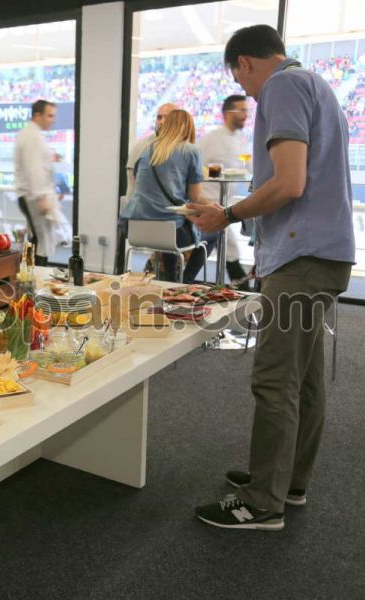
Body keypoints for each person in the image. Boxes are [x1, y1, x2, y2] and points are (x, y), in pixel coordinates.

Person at [189, 25, 355, 530]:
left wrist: (228, 214)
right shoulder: (315, 84)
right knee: (304, 378)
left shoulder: (282, 86)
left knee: (275, 377)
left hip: (304, 256)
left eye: (241, 80)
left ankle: (262, 501)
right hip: (318, 253)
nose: (247, 93)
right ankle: (287, 481)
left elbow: (289, 182)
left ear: (244, 63)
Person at [120, 109, 215, 282]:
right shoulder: (190, 151)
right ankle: (186, 282)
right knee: (214, 232)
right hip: (170, 232)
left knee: (169, 222)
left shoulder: (146, 150)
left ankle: (171, 280)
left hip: (135, 228)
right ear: (188, 128)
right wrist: (214, 206)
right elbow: (195, 197)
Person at [197, 94, 251, 287]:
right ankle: (244, 290)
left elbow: (249, 167)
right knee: (227, 248)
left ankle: (243, 289)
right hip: (206, 204)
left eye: (247, 110)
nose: (246, 115)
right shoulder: (211, 139)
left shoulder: (240, 140)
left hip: (223, 205)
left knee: (227, 248)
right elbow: (195, 168)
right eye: (242, 110)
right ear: (228, 113)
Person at [14, 99, 67, 266]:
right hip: (34, 197)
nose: (53, 120)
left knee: (40, 240)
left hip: (36, 195)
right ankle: (37, 276)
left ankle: (35, 274)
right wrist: (42, 197)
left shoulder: (32, 135)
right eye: (49, 116)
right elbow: (33, 169)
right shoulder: (31, 136)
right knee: (41, 241)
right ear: (37, 115)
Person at [125, 102, 178, 199]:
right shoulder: (141, 147)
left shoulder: (186, 150)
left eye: (167, 118)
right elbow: (132, 189)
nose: (161, 122)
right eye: (159, 117)